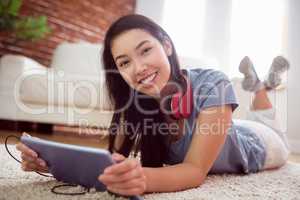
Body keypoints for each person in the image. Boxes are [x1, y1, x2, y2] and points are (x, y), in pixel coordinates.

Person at [16, 14, 290, 197]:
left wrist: (142, 179)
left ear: (167, 46)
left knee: (266, 119)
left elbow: (195, 171)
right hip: (224, 129)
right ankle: (258, 85)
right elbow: (111, 161)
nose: (139, 68)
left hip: (260, 142)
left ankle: (260, 86)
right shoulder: (133, 105)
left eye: (145, 50)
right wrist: (51, 162)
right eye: (124, 62)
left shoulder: (212, 83)